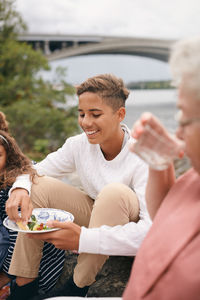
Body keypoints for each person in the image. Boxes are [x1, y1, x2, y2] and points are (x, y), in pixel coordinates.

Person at [6, 74, 151, 299]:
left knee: (114, 193)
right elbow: (34, 171)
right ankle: (24, 284)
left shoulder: (142, 156)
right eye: (81, 114)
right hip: (95, 211)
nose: (85, 122)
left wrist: (83, 239)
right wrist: (19, 189)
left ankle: (77, 286)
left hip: (125, 218)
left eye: (95, 114)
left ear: (119, 114)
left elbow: (150, 231)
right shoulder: (78, 145)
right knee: (38, 184)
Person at [123, 36, 200, 299]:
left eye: (183, 116)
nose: (177, 130)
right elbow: (167, 213)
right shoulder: (195, 176)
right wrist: (159, 163)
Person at [0, 113, 67, 297]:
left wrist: (5, 274)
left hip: (33, 256)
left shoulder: (21, 177)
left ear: (9, 152)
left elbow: (20, 231)